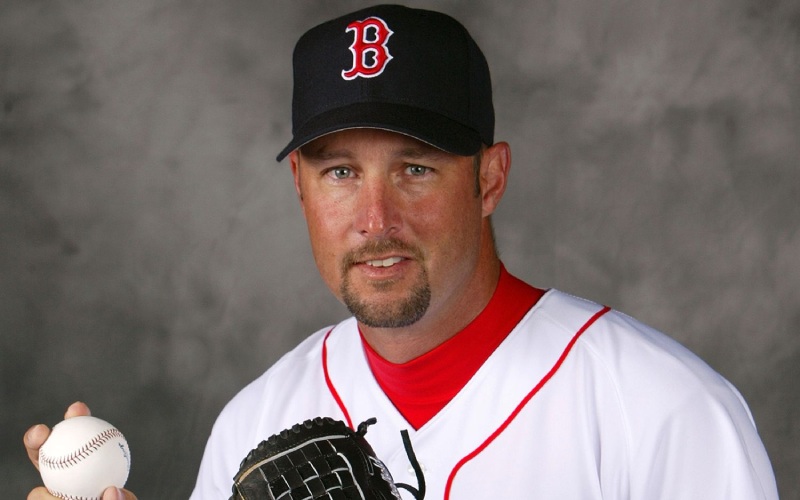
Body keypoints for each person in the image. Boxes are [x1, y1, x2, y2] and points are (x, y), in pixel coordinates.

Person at [25, 4, 779, 499]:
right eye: (341, 172)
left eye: (416, 168)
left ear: (489, 178)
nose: (375, 217)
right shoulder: (254, 423)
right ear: (300, 185)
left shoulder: (664, 411)